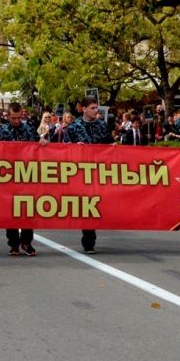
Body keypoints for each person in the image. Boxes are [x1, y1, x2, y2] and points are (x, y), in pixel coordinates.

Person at [0, 102, 48, 257]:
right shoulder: (0, 130)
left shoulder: (28, 130)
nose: (16, 120)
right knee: (10, 211)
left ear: (23, 115)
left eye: (19, 117)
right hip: (7, 178)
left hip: (26, 177)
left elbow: (38, 146)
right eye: (13, 117)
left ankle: (26, 242)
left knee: (28, 210)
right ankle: (13, 243)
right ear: (7, 116)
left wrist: (41, 142)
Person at [63, 97, 114, 254]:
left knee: (100, 203)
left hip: (100, 171)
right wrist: (73, 148)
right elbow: (62, 148)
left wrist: (113, 147)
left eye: (96, 107)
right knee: (88, 204)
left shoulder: (102, 125)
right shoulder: (74, 127)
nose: (95, 110)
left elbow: (109, 144)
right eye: (92, 107)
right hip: (80, 173)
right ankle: (89, 239)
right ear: (83, 109)